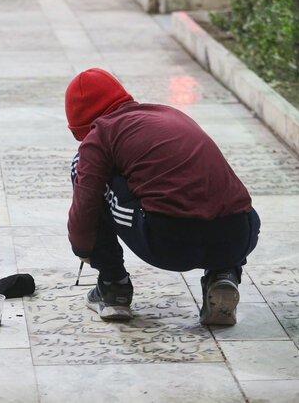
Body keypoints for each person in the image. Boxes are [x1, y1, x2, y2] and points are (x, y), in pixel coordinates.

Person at [66, 68, 260, 325]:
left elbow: (86, 201)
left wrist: (83, 247)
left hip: (171, 242)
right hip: (239, 234)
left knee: (81, 167)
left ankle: (113, 287)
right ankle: (223, 275)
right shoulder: (169, 114)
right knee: (215, 195)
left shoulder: (100, 134)